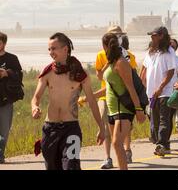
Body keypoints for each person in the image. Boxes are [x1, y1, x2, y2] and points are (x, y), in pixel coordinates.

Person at [31, 33, 106, 170]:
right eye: (49, 49)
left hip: (71, 128)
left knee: (71, 167)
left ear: (65, 49)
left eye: (54, 48)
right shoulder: (48, 72)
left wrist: (101, 127)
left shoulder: (80, 74)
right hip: (50, 129)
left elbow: (92, 102)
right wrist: (35, 107)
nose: (51, 52)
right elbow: (36, 97)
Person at [78, 25, 137, 169]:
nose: (115, 38)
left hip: (122, 97)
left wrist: (139, 108)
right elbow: (99, 76)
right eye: (112, 36)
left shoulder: (128, 55)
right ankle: (108, 157)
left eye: (117, 36)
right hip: (107, 94)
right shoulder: (101, 55)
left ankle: (126, 150)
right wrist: (108, 63)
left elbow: (131, 80)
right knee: (106, 125)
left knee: (122, 131)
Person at [102, 33, 146, 170]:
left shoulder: (121, 63)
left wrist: (139, 110)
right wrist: (89, 96)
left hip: (124, 109)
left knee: (116, 143)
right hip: (112, 108)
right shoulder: (111, 63)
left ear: (105, 46)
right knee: (116, 144)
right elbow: (109, 86)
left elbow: (131, 88)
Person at [140, 26, 176, 157]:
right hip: (151, 93)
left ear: (161, 36)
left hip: (165, 92)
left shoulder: (169, 52)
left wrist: (160, 88)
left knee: (163, 119)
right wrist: (141, 86)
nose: (151, 37)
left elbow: (171, 72)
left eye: (154, 35)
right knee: (154, 122)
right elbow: (144, 70)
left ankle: (161, 144)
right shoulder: (150, 52)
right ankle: (163, 144)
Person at [0, 32, 23, 164]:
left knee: (4, 130)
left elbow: (19, 77)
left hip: (6, 99)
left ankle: (0, 155)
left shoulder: (12, 58)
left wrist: (6, 73)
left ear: (4, 43)